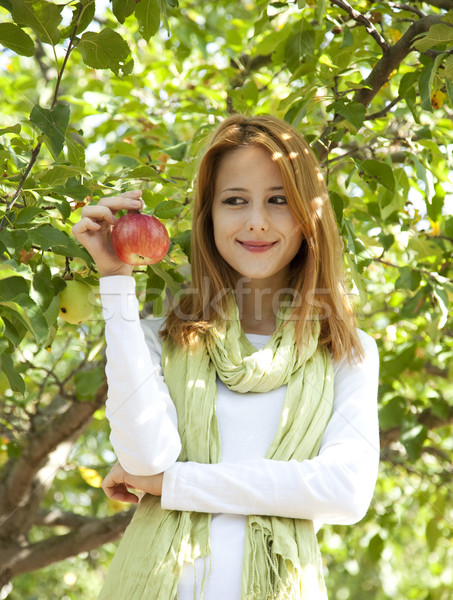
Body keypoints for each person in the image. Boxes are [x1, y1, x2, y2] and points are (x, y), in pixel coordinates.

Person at [71, 114, 380, 600]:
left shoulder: (344, 350)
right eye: (235, 200)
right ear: (209, 216)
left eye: (278, 200)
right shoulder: (159, 339)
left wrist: (172, 485)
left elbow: (345, 490)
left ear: (308, 215)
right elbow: (146, 457)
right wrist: (115, 280)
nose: (256, 220)